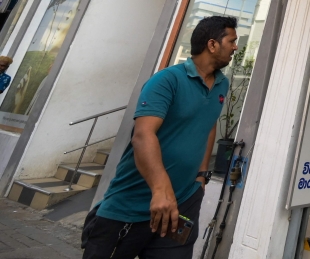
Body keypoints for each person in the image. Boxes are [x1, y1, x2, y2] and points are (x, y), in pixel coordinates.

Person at [82, 16, 239, 259]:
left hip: (184, 201)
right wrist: (160, 189)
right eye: (232, 41)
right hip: (132, 203)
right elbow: (143, 135)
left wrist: (202, 176)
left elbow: (209, 125)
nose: (236, 47)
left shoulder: (221, 84)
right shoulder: (166, 80)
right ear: (212, 44)